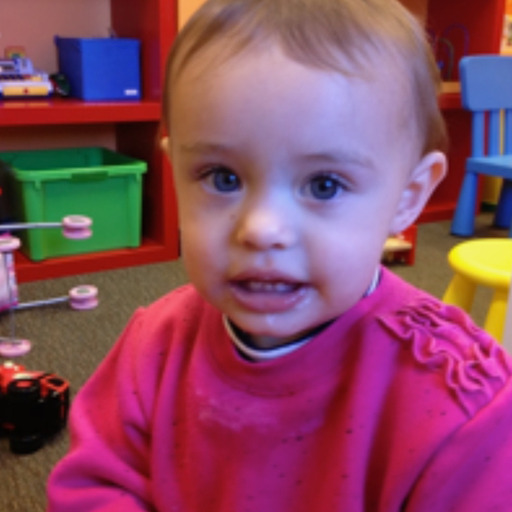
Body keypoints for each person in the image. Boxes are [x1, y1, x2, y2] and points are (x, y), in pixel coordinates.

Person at [46, 0, 512, 510]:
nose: (261, 230)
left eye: (324, 184)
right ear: (174, 169)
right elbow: (95, 485)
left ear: (408, 196)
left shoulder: (459, 406)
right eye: (222, 177)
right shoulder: (154, 344)